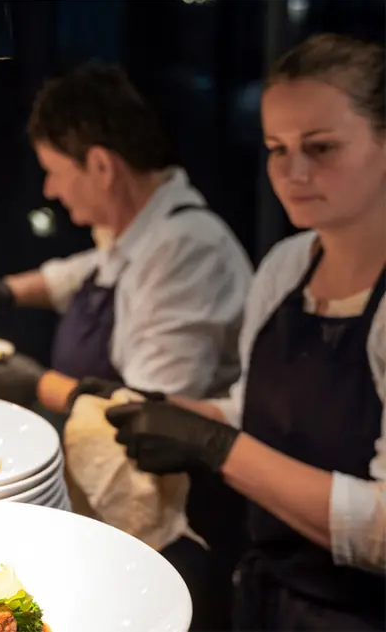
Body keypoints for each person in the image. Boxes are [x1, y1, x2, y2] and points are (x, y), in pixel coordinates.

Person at [100, 34, 386, 630]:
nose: (293, 172)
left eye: (322, 147)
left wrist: (216, 448)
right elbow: (254, 407)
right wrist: (167, 413)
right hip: (261, 593)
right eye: (276, 149)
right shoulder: (286, 265)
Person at [0, 64, 253, 418]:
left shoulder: (190, 253)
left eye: (54, 172)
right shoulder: (140, 230)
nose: (50, 190)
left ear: (102, 167)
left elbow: (149, 412)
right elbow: (91, 271)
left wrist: (36, 383)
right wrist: (4, 289)